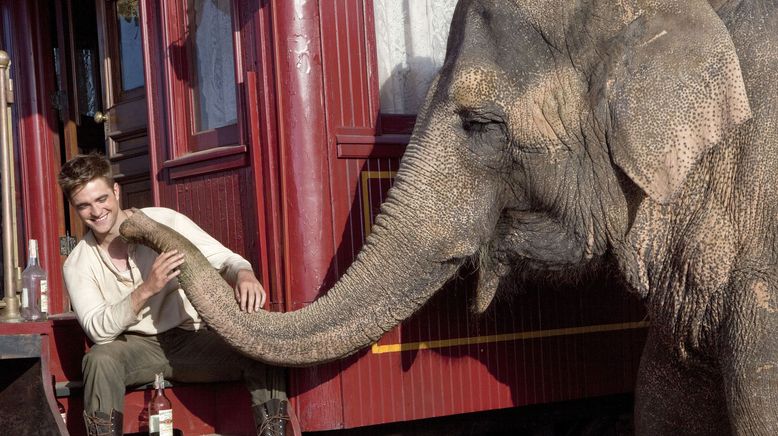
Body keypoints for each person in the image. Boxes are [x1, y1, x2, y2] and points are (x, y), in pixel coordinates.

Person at [57, 153, 296, 436]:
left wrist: (244, 274)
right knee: (98, 359)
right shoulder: (77, 262)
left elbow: (225, 259)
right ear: (73, 207)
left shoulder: (164, 220)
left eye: (101, 199)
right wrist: (147, 289)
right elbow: (99, 331)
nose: (96, 212)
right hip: (135, 347)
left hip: (189, 339)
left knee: (259, 348)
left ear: (116, 191)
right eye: (83, 206)